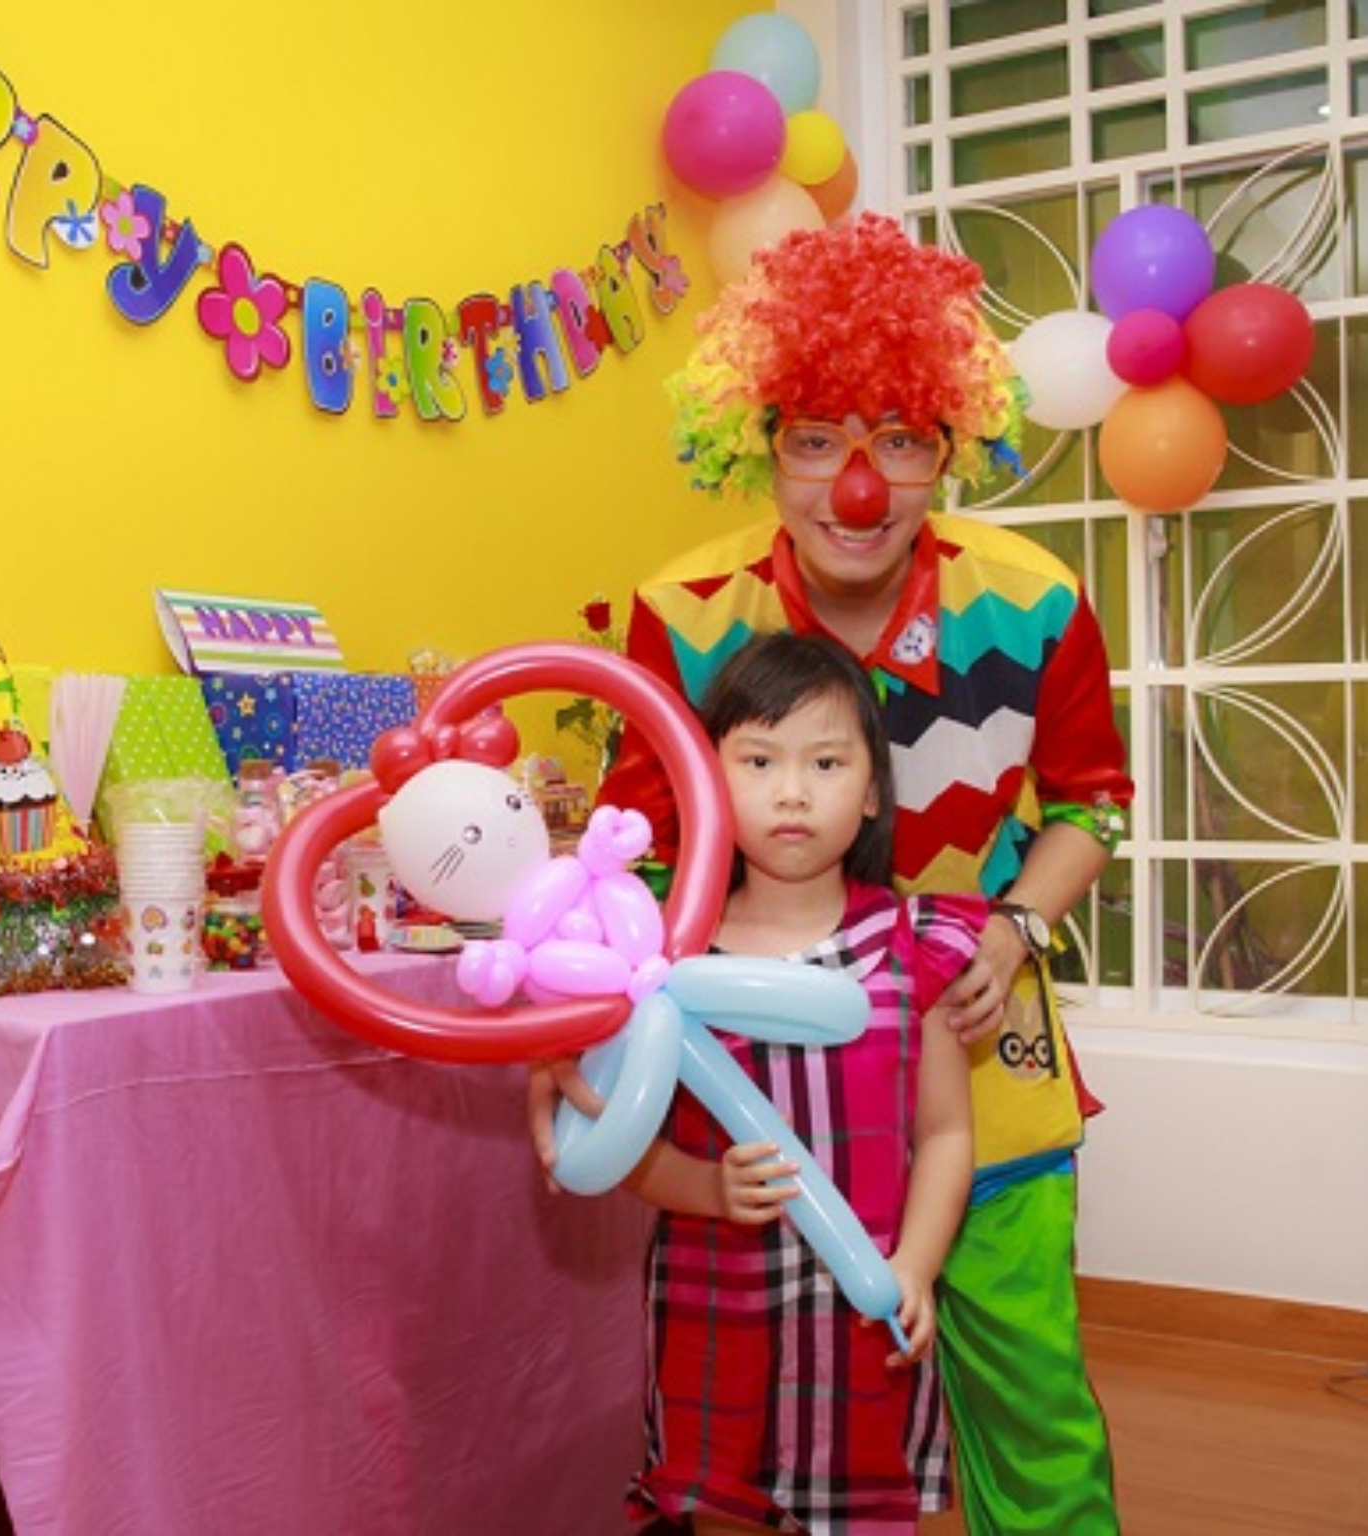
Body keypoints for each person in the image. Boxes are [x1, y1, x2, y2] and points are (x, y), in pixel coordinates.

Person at [536, 214, 1134, 1534]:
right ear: (760, 442)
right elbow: (632, 858)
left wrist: (1012, 932)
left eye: (900, 443)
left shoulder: (1036, 600)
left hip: (977, 1056)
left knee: (1030, 1400)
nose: (854, 491)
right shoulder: (683, 611)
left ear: (949, 448)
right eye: (815, 440)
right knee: (776, 1420)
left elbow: (1093, 805)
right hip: (766, 1082)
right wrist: (578, 1039)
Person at [624, 629, 979, 1536]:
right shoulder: (661, 960)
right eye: (758, 761)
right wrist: (703, 1186)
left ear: (872, 790)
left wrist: (916, 1267)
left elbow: (944, 1131)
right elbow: (622, 1144)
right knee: (721, 1508)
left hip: (861, 1312)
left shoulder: (912, 947)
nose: (792, 791)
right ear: (707, 783)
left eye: (826, 762)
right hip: (716, 1311)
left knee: (861, 1509)